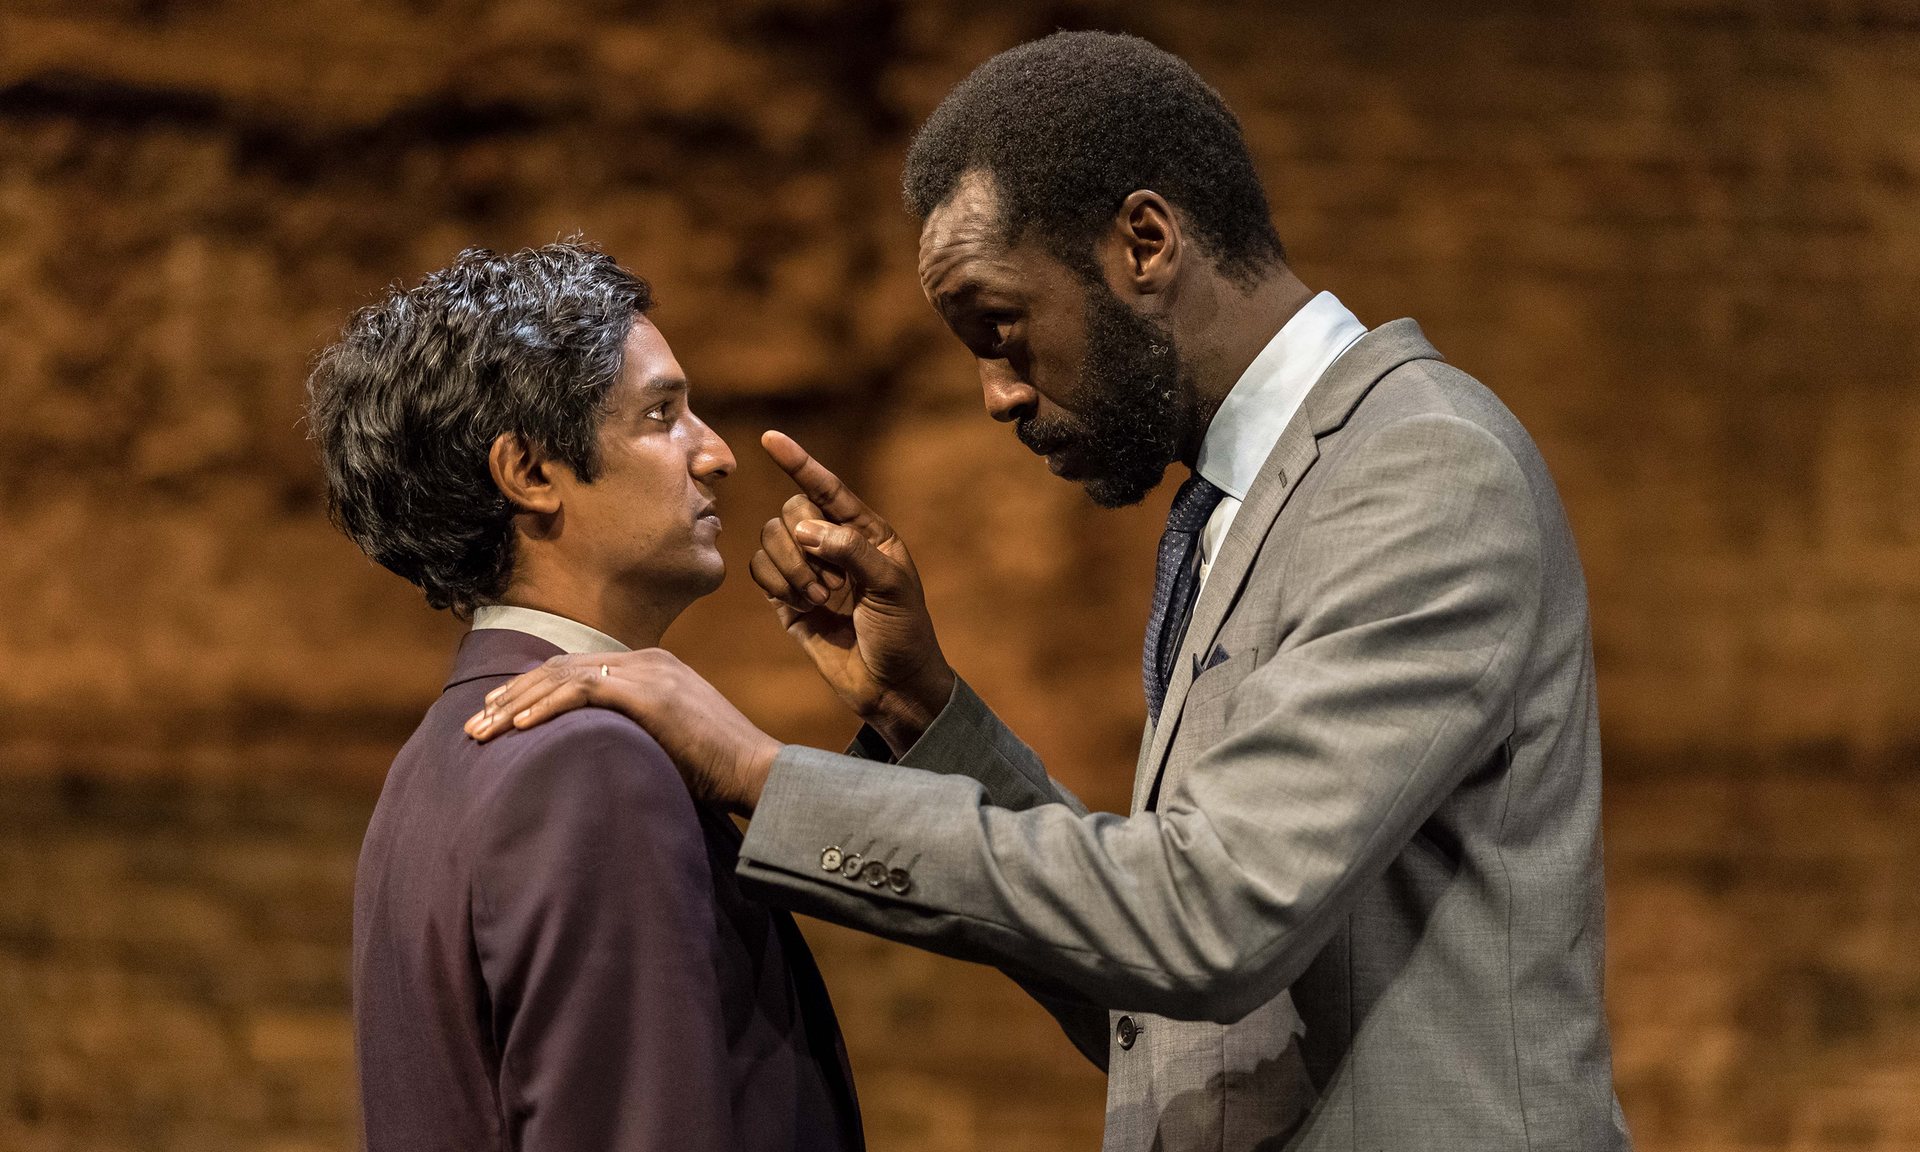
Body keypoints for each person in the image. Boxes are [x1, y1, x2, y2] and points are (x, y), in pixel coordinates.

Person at [472, 32, 1632, 1152]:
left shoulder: (1420, 468)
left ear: (1144, 243)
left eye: (1002, 328)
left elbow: (1205, 921)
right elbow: (1162, 1006)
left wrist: (760, 773)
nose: (998, 393)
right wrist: (922, 712)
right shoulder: (1252, 502)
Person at [308, 243, 862, 1152]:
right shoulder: (586, 765)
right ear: (529, 472)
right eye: (661, 415)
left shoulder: (440, 755)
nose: (717, 454)